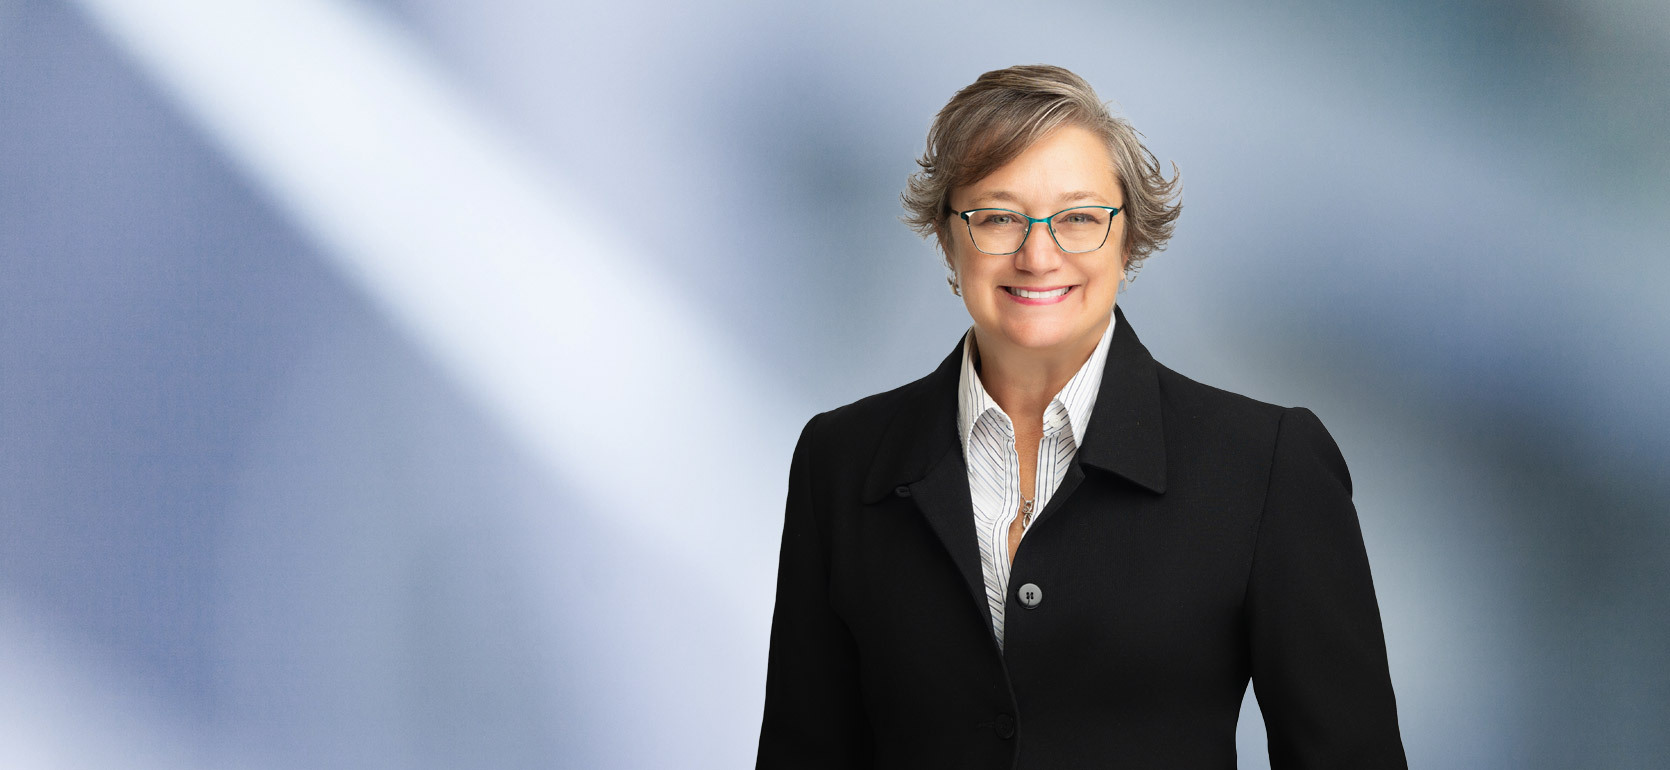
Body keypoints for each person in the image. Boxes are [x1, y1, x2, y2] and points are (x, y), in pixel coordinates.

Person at [755, 64, 1407, 769]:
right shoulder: (840, 459)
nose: (1039, 255)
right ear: (948, 239)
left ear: (1129, 242)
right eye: (998, 217)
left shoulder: (1266, 465)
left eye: (1078, 219)